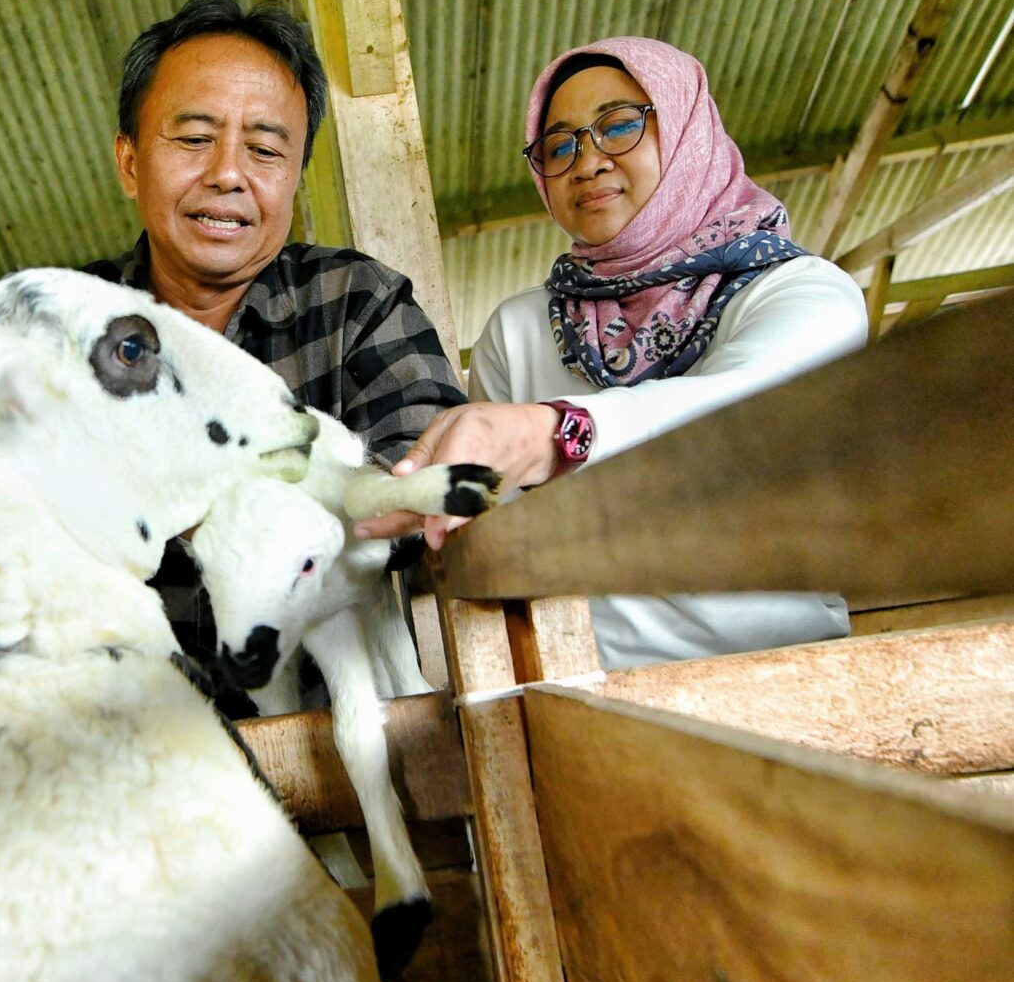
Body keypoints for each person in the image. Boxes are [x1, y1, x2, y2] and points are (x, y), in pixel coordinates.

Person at [367, 35, 867, 670]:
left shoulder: (803, 293)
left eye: (620, 124)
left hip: (789, 677)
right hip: (591, 704)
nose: (588, 161)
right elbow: (497, 542)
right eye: (559, 145)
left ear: (688, 132)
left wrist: (554, 432)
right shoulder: (520, 333)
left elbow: (742, 410)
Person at [84, 0, 465, 700]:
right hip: (133, 754)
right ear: (130, 161)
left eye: (263, 149)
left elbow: (426, 464)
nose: (227, 174)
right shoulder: (67, 331)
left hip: (335, 735)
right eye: (194, 139)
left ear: (294, 176)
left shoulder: (355, 302)